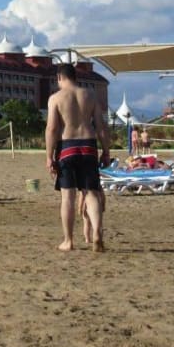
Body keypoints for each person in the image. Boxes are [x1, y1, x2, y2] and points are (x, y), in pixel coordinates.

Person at [45, 63, 110, 252]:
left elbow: (52, 128)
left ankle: (68, 240)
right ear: (76, 77)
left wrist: (49, 156)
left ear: (59, 78)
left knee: (68, 196)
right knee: (91, 193)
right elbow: (101, 126)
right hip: (89, 146)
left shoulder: (55, 98)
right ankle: (97, 232)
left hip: (68, 147)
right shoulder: (90, 95)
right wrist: (106, 151)